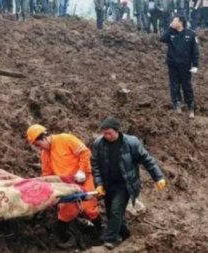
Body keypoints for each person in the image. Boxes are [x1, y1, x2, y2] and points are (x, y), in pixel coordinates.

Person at [91, 117, 166, 250]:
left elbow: (147, 160)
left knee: (115, 210)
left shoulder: (131, 142)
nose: (106, 136)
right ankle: (125, 234)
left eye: (109, 133)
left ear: (117, 131)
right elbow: (95, 165)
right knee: (111, 213)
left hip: (125, 184)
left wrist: (158, 177)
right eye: (104, 133)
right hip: (108, 184)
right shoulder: (98, 143)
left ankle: (110, 240)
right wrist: (99, 183)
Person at [26, 124, 101, 249]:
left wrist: (82, 170)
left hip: (83, 180)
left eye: (38, 145)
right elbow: (47, 174)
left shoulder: (66, 139)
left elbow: (84, 152)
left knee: (89, 208)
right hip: (67, 185)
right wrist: (49, 189)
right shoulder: (45, 154)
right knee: (65, 212)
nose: (39, 148)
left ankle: (100, 233)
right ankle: (64, 237)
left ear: (44, 137)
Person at [160, 15, 199, 117]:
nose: (172, 22)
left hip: (185, 65)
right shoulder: (171, 33)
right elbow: (162, 38)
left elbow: (195, 51)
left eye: (174, 20)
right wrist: (170, 28)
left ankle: (191, 106)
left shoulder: (190, 34)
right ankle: (177, 104)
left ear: (181, 22)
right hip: (173, 64)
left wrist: (195, 65)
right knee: (174, 85)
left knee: (186, 86)